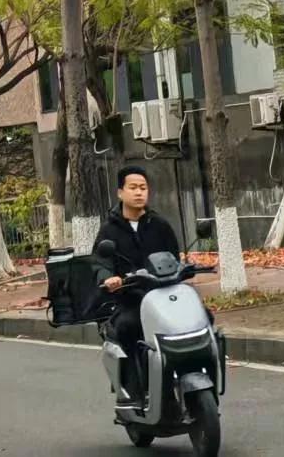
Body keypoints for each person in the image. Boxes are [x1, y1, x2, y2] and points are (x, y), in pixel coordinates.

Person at [93, 165, 182, 400]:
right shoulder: (109, 231)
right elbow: (100, 263)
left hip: (164, 297)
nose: (139, 192)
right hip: (130, 300)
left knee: (202, 316)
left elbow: (175, 257)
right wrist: (109, 279)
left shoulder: (159, 225)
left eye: (143, 187)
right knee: (128, 327)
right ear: (120, 192)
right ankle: (135, 391)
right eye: (133, 187)